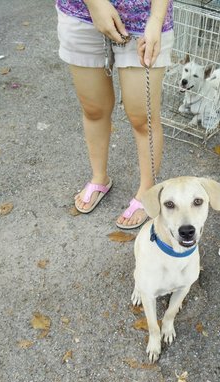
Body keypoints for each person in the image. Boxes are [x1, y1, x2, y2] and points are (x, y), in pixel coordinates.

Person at [56, 0, 173, 229]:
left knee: (143, 119)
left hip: (145, 19)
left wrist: (156, 19)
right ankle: (99, 178)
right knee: (93, 109)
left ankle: (147, 192)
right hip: (81, 13)